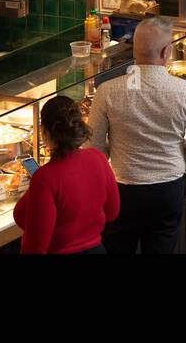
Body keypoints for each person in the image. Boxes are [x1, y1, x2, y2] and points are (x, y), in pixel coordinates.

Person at [90, 18, 186, 254]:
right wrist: (175, 148)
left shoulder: (106, 91)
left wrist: (117, 148)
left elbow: (93, 148)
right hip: (167, 190)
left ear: (134, 49)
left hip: (121, 190)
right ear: (166, 52)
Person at [14, 96, 119, 254]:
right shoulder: (98, 158)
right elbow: (112, 212)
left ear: (44, 132)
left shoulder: (44, 178)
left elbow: (35, 247)